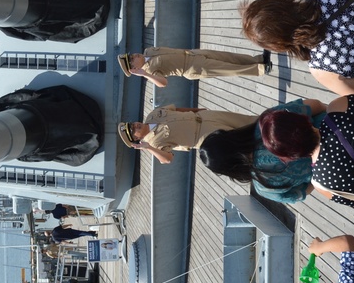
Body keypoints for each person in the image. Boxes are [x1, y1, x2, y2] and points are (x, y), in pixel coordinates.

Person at [198, 98, 327, 203]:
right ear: (229, 135)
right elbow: (314, 105)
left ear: (229, 170)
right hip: (336, 126)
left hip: (334, 171)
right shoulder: (265, 123)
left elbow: (304, 191)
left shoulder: (264, 188)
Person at [119, 106, 256, 164]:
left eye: (131, 124)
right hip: (204, 135)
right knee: (243, 140)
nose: (135, 125)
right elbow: (167, 159)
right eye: (132, 130)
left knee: (247, 120)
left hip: (205, 116)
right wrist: (148, 148)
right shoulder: (154, 144)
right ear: (136, 138)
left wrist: (197, 110)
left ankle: (274, 122)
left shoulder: (152, 115)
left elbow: (176, 109)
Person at [118, 47, 272, 87]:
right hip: (191, 68)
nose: (134, 56)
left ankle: (257, 60)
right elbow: (163, 83)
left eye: (131, 55)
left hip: (192, 54)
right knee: (228, 68)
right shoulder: (150, 71)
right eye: (132, 60)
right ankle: (260, 69)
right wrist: (144, 74)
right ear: (134, 68)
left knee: (228, 57)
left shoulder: (149, 51)